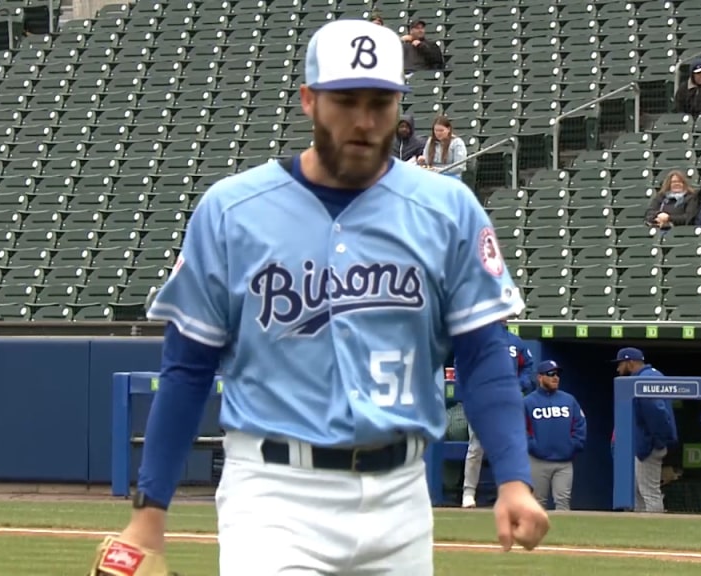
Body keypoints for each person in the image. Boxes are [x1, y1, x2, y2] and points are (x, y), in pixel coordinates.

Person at [86, 19, 549, 576]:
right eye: (345, 100)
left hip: (401, 497)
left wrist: (515, 480)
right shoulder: (233, 210)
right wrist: (149, 512)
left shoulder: (448, 210)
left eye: (379, 102)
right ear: (308, 99)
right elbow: (187, 369)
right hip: (274, 493)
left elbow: (484, 359)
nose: (363, 119)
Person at [461, 320, 536, 509]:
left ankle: (509, 495)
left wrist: (519, 384)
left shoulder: (515, 342)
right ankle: (468, 493)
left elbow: (528, 366)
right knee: (476, 447)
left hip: (507, 400)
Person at [613, 347, 677, 513]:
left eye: (621, 363)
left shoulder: (646, 378)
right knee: (638, 493)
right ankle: (641, 532)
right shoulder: (649, 376)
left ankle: (655, 533)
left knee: (649, 493)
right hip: (646, 444)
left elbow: (657, 411)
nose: (618, 368)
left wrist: (654, 441)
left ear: (630, 362)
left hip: (648, 446)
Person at [524, 360, 587, 511]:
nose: (555, 378)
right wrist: (533, 447)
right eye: (550, 374)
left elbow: (580, 425)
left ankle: (563, 534)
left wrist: (572, 446)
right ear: (540, 378)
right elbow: (520, 430)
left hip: (563, 462)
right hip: (538, 461)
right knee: (537, 504)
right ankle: (538, 535)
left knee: (563, 502)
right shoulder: (528, 402)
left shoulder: (568, 400)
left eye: (557, 374)